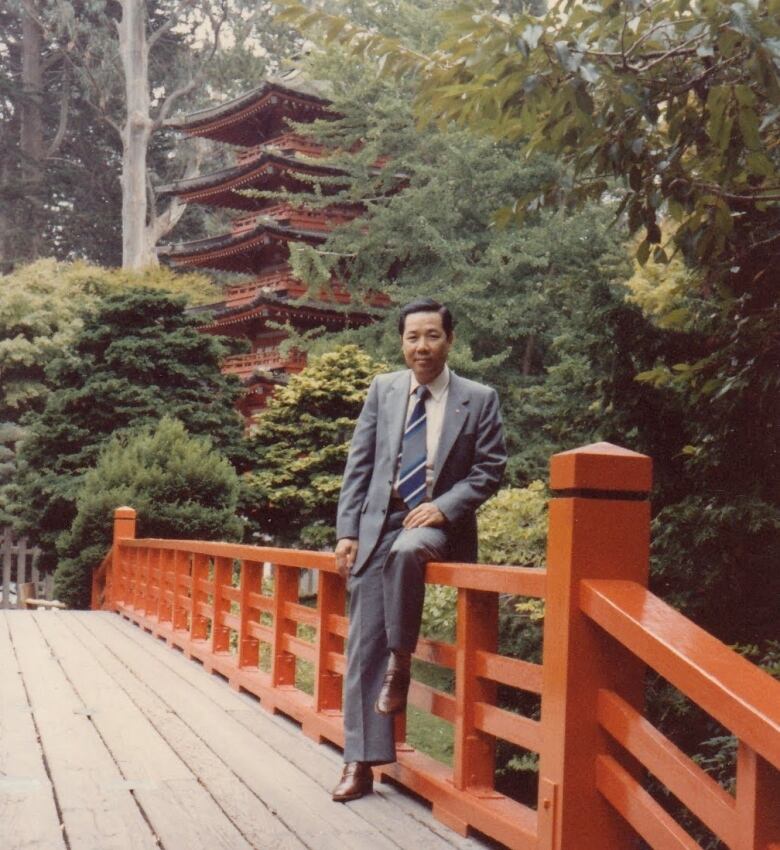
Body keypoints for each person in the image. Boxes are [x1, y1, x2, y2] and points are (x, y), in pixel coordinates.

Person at [331, 297, 507, 802]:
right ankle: (359, 763)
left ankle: (401, 661)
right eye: (413, 337)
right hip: (375, 523)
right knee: (362, 642)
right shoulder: (383, 391)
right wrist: (347, 530)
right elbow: (359, 465)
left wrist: (445, 506)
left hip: (432, 523)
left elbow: (490, 469)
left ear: (449, 340)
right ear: (401, 342)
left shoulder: (479, 397)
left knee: (408, 551)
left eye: (432, 336)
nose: (422, 347)